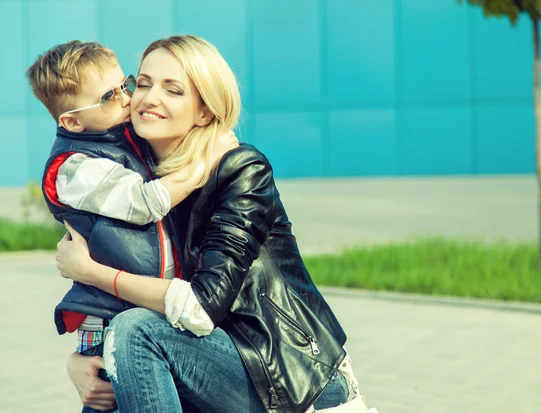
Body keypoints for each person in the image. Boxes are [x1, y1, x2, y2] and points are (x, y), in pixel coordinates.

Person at [57, 35, 376, 413]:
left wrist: (94, 272)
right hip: (203, 360)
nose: (149, 98)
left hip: (287, 378)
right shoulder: (129, 181)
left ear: (205, 111)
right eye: (143, 83)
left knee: (135, 331)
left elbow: (201, 308)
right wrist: (78, 362)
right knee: (109, 384)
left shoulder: (242, 171)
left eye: (173, 90)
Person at [26, 40, 236, 412]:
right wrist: (207, 161)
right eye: (109, 96)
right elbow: (143, 203)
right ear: (72, 121)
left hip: (146, 308)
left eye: (125, 84)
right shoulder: (74, 167)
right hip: (111, 314)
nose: (127, 99)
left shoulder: (124, 139)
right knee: (113, 397)